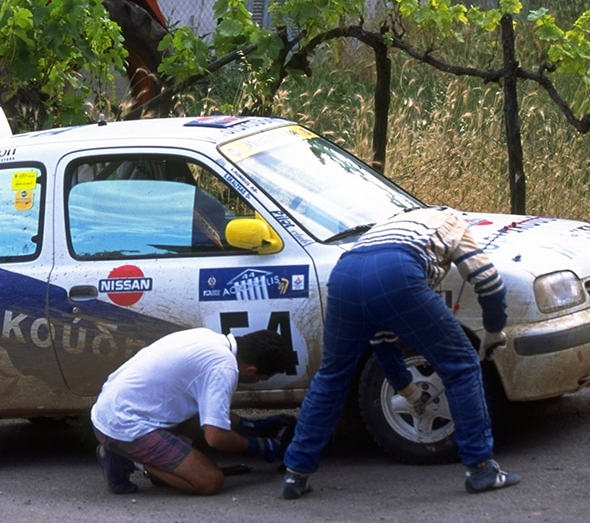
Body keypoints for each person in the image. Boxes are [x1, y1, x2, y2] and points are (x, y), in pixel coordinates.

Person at [281, 206, 520, 499]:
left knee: (331, 375)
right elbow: (488, 280)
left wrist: (409, 392)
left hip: (344, 275)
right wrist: (494, 330)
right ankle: (482, 468)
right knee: (461, 364)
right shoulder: (455, 222)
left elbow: (382, 340)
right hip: (397, 270)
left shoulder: (389, 223)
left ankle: (296, 473)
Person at [91, 327, 294, 495]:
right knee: (209, 481)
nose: (258, 382)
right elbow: (216, 437)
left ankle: (135, 454)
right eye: (261, 378)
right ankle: (127, 458)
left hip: (111, 410)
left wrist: (252, 426)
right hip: (122, 426)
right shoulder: (224, 367)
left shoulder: (209, 338)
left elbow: (212, 413)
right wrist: (261, 447)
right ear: (251, 370)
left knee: (202, 422)